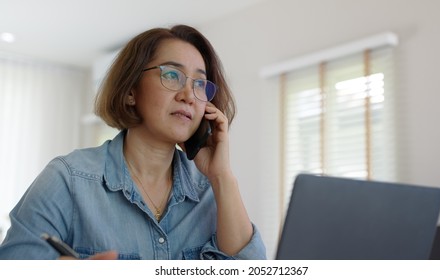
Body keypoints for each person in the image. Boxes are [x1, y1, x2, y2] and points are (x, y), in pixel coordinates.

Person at [0, 25, 266, 260]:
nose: (189, 95)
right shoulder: (68, 179)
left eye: (200, 83)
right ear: (130, 91)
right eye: (172, 75)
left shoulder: (210, 190)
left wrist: (222, 177)